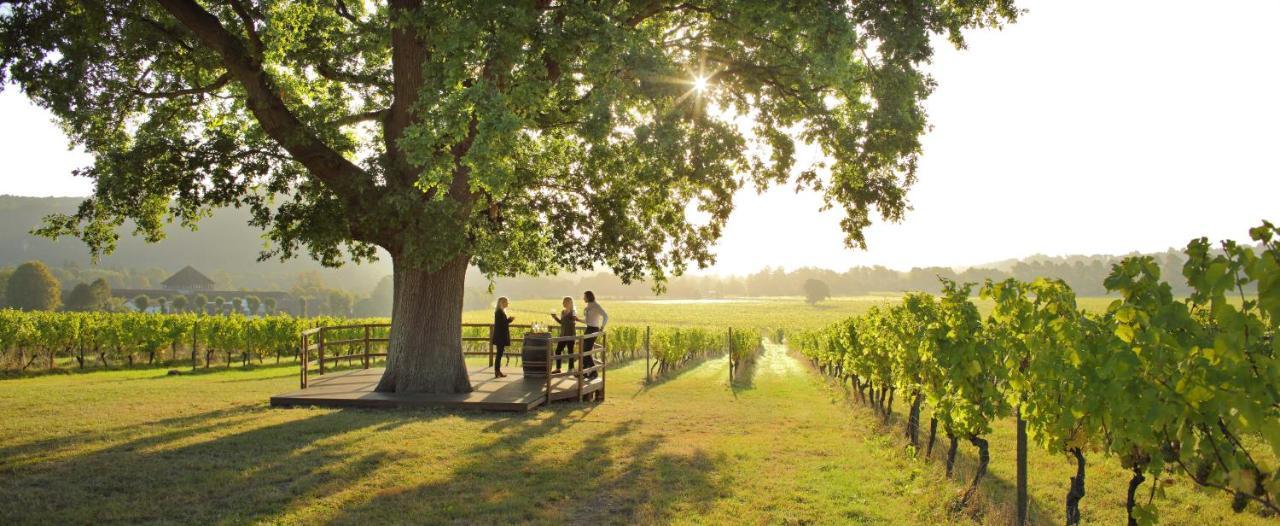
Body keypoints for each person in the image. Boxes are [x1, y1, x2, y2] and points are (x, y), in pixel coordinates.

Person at [581, 290, 608, 380]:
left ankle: (594, 373)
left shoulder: (596, 306)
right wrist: (577, 319)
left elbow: (605, 316)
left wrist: (602, 327)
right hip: (588, 328)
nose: (583, 298)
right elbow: (588, 321)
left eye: (584, 296)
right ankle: (584, 373)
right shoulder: (589, 306)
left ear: (588, 297)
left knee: (586, 351)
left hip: (593, 330)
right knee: (584, 351)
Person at [549, 296, 580, 374]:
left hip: (570, 334)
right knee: (558, 351)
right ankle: (558, 368)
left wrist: (573, 320)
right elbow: (562, 323)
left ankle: (571, 369)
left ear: (569, 303)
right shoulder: (563, 312)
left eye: (564, 302)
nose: (563, 303)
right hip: (563, 334)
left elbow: (573, 321)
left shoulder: (573, 312)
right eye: (563, 302)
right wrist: (555, 317)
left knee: (570, 352)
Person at [491, 297, 515, 378]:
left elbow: (502, 323)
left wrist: (508, 320)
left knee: (499, 354)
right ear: (502, 303)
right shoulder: (499, 312)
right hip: (500, 337)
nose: (508, 304)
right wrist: (509, 320)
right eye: (506, 302)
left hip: (499, 336)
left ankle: (497, 371)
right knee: (499, 354)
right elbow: (502, 324)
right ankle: (497, 371)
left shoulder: (499, 312)